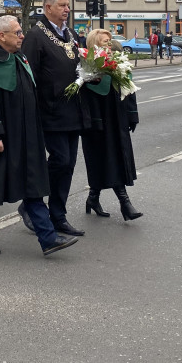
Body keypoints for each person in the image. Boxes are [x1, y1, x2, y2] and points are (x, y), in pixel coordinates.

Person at [0, 15, 79, 256]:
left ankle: (48, 238)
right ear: (1, 36)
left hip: (24, 135)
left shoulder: (20, 58)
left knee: (31, 185)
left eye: (21, 31)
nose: (22, 36)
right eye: (17, 32)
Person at [21, 0, 89, 237]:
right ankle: (32, 199)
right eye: (62, 5)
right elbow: (28, 76)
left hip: (73, 109)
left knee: (68, 163)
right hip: (50, 110)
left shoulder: (69, 33)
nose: (66, 9)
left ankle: (58, 214)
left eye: (68, 6)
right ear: (47, 7)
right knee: (59, 159)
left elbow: (75, 63)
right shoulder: (36, 35)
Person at [79, 28, 142, 221]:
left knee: (113, 158)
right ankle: (125, 204)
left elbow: (128, 88)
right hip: (98, 121)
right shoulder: (87, 65)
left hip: (117, 118)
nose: (108, 44)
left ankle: (93, 198)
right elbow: (84, 96)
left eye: (108, 41)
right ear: (93, 44)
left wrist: (132, 115)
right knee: (104, 159)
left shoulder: (117, 62)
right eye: (103, 42)